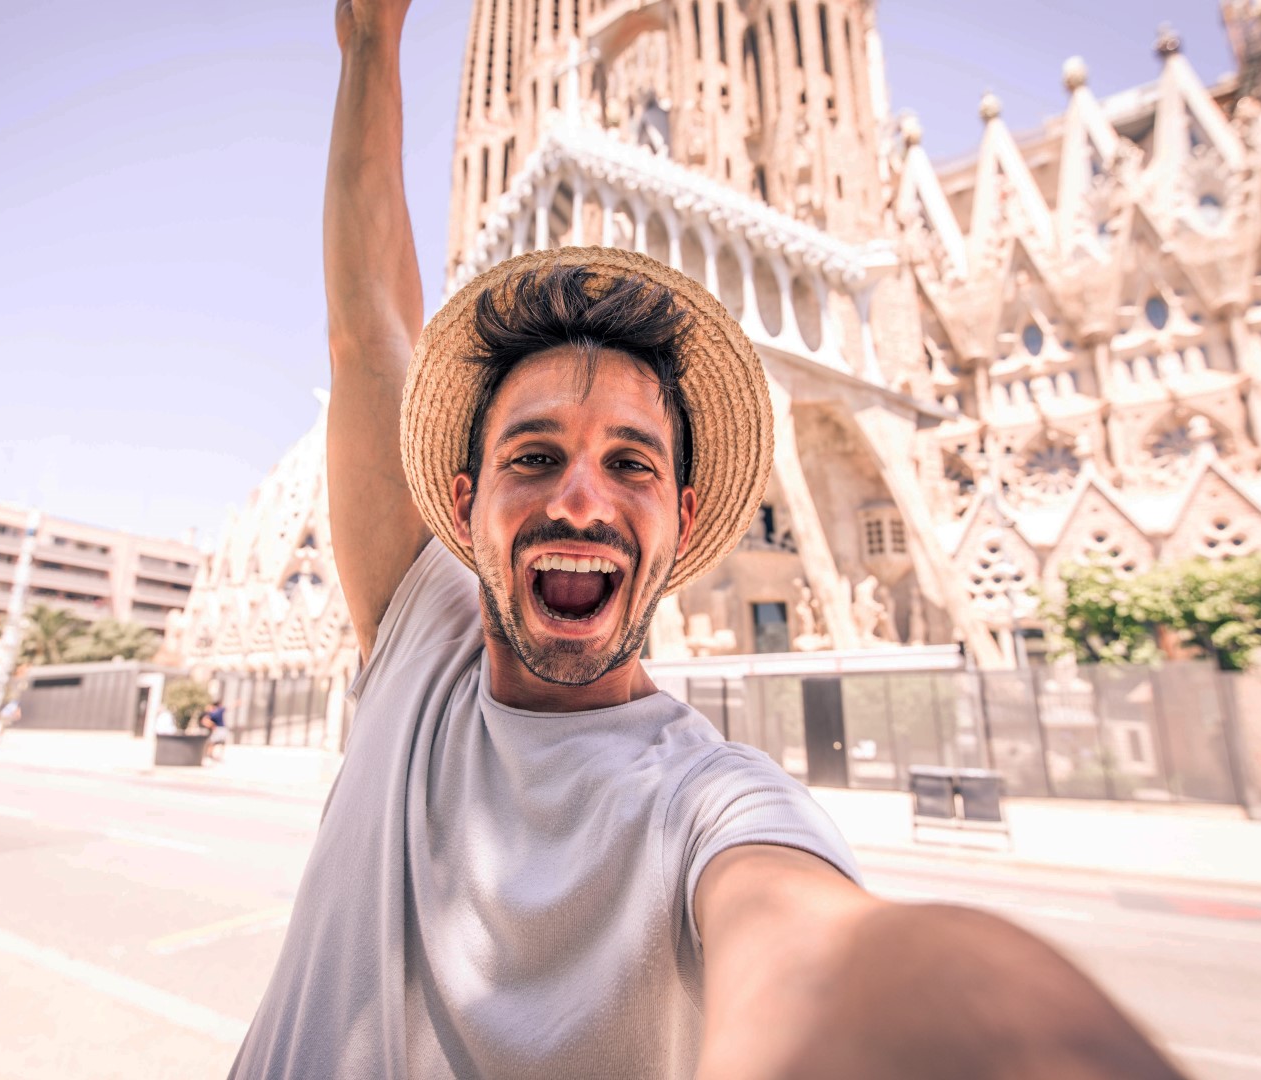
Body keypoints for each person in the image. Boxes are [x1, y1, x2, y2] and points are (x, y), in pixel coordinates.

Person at [229, 2, 1186, 1077]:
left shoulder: (708, 804)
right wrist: (371, 45)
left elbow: (818, 946)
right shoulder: (419, 641)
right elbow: (369, 333)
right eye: (534, 456)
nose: (581, 501)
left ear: (687, 518)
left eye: (630, 462)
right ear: (460, 507)